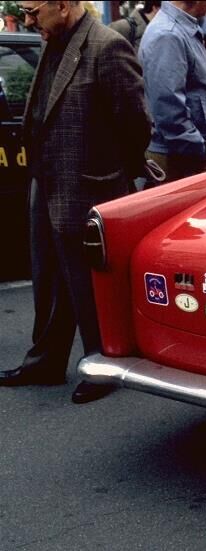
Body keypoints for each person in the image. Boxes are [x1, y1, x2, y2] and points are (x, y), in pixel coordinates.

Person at [0, 1, 150, 404]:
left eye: (32, 11)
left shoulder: (107, 47)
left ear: (63, 6)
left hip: (87, 187)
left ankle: (101, 366)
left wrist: (108, 173)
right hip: (46, 183)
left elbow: (136, 124)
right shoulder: (55, 39)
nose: (28, 20)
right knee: (49, 281)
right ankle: (45, 360)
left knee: (87, 287)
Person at [139, 1, 206, 184]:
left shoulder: (177, 29)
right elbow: (168, 108)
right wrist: (197, 148)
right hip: (179, 157)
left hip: (183, 152)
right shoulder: (168, 34)